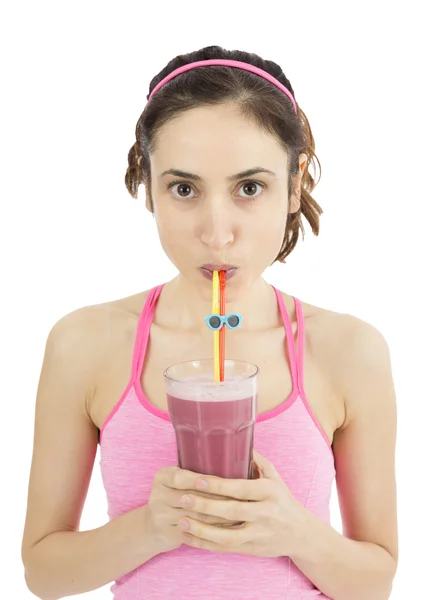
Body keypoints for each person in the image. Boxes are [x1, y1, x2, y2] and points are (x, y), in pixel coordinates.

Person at [21, 45, 398, 600]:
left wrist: (295, 533)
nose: (217, 233)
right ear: (147, 187)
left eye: (250, 188)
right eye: (184, 189)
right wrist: (150, 528)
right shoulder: (85, 343)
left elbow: (376, 582)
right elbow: (43, 574)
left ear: (293, 188)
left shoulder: (349, 350)